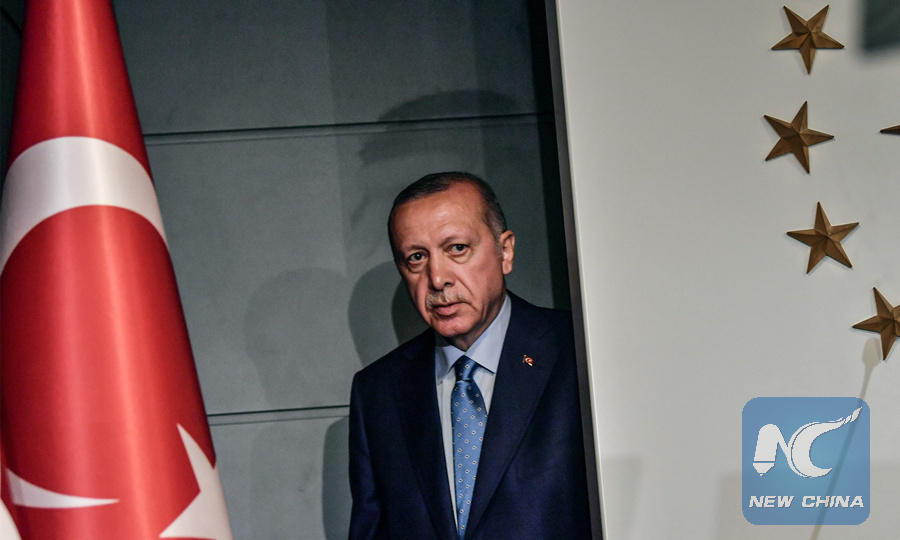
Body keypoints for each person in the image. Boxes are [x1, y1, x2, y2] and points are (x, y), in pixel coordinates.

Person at [348, 172, 592, 539]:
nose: (437, 278)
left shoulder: (577, 352)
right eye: (417, 257)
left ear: (505, 251)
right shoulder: (378, 392)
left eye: (457, 248)